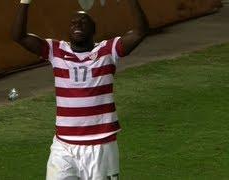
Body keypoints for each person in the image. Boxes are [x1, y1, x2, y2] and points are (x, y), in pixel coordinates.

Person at [12, 0, 149, 179]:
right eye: (73, 23)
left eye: (83, 22)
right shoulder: (56, 51)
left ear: (94, 30)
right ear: (68, 30)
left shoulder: (108, 51)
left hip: (101, 145)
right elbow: (19, 36)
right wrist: (25, 2)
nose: (77, 25)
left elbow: (140, 32)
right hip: (64, 146)